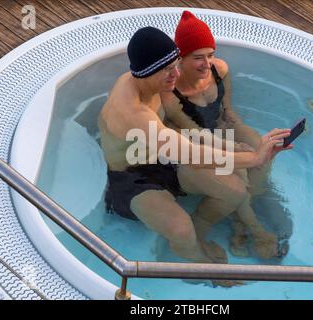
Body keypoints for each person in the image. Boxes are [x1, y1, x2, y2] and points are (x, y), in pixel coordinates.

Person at [98, 26, 291, 272]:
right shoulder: (131, 113)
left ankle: (202, 229)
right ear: (147, 73)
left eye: (175, 65)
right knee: (181, 229)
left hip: (161, 159)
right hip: (131, 178)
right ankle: (198, 260)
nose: (175, 74)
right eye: (168, 70)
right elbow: (191, 154)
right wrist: (253, 158)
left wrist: (233, 148)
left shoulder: (149, 83)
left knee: (234, 190)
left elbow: (185, 139)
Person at [161, 11, 293, 259]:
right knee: (239, 171)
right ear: (181, 57)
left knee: (264, 149)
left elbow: (227, 107)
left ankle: (240, 218)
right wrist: (233, 149)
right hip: (195, 144)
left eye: (210, 54)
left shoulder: (220, 70)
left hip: (221, 128)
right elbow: (193, 133)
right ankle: (253, 228)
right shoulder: (171, 92)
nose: (206, 63)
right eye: (197, 57)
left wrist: (236, 125)